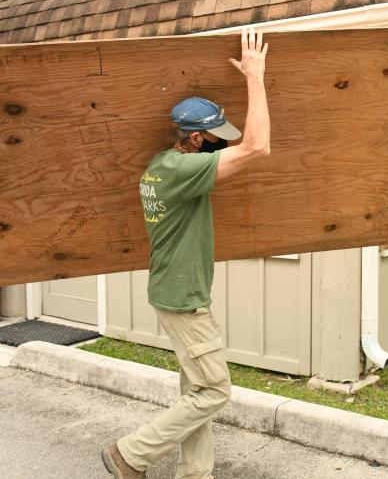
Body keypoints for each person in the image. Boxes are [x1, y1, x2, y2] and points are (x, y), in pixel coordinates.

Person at [101, 27, 270, 479]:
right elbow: (257, 147)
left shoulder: (162, 165)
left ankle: (196, 474)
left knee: (195, 389)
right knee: (214, 391)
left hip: (175, 289)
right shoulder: (182, 170)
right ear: (195, 139)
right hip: (182, 297)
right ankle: (130, 455)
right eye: (215, 135)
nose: (222, 141)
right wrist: (255, 75)